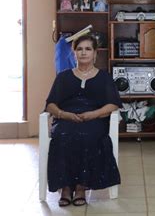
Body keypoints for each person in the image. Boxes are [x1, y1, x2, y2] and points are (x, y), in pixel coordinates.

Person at [45, 34, 122, 206]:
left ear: (95, 54)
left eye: (88, 49)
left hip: (95, 119)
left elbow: (113, 105)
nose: (83, 52)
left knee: (88, 136)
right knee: (62, 135)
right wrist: (64, 115)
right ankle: (65, 188)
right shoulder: (63, 77)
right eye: (79, 49)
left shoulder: (104, 77)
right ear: (74, 53)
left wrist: (93, 114)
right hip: (66, 118)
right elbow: (50, 105)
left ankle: (81, 187)